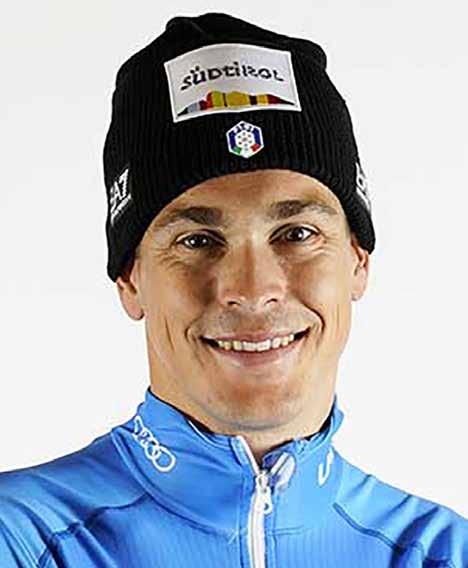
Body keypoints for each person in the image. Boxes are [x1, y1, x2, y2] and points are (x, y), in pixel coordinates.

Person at [1, 11, 467, 568]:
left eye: (297, 234)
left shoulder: (442, 553)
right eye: (198, 241)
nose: (252, 289)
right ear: (129, 278)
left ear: (357, 260)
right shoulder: (24, 541)